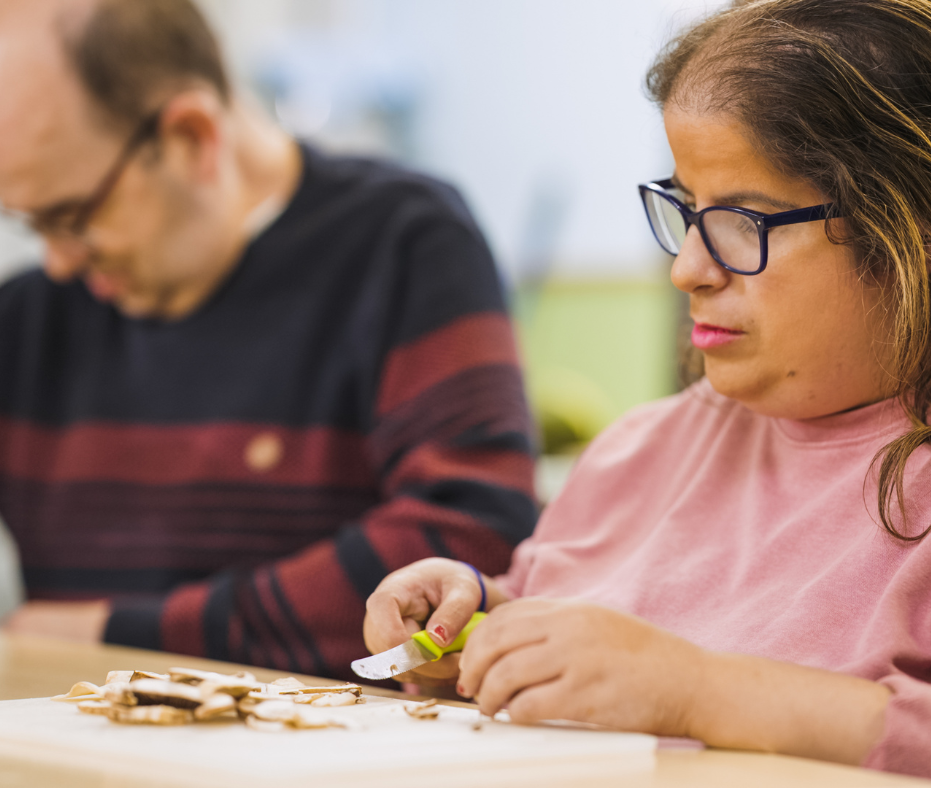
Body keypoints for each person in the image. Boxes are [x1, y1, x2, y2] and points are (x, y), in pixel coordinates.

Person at [362, 0, 931, 777]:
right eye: (688, 210)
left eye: (744, 220)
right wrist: (474, 626)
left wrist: (695, 689)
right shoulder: (644, 449)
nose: (688, 269)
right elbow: (568, 620)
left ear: (918, 226)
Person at [0, 0, 538, 681]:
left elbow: (468, 537)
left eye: (74, 216)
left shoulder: (402, 244)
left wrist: (118, 631)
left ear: (193, 137)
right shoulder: (28, 320)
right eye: (32, 223)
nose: (58, 261)